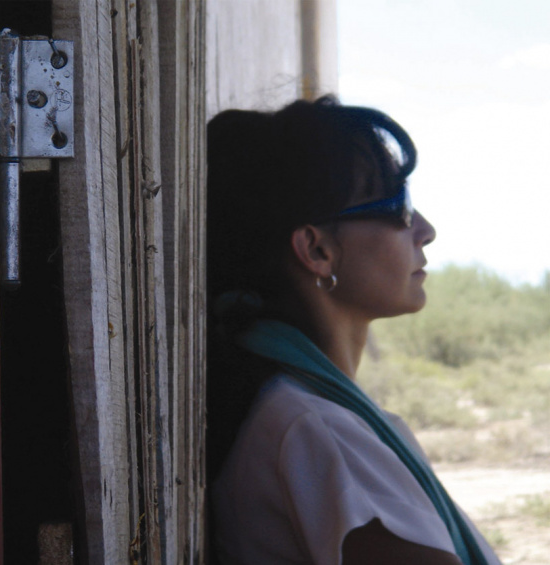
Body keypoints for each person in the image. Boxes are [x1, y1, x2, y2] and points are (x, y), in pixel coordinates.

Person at [206, 96, 501, 565]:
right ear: (317, 250)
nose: (426, 230)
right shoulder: (316, 430)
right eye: (400, 207)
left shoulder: (312, 413)